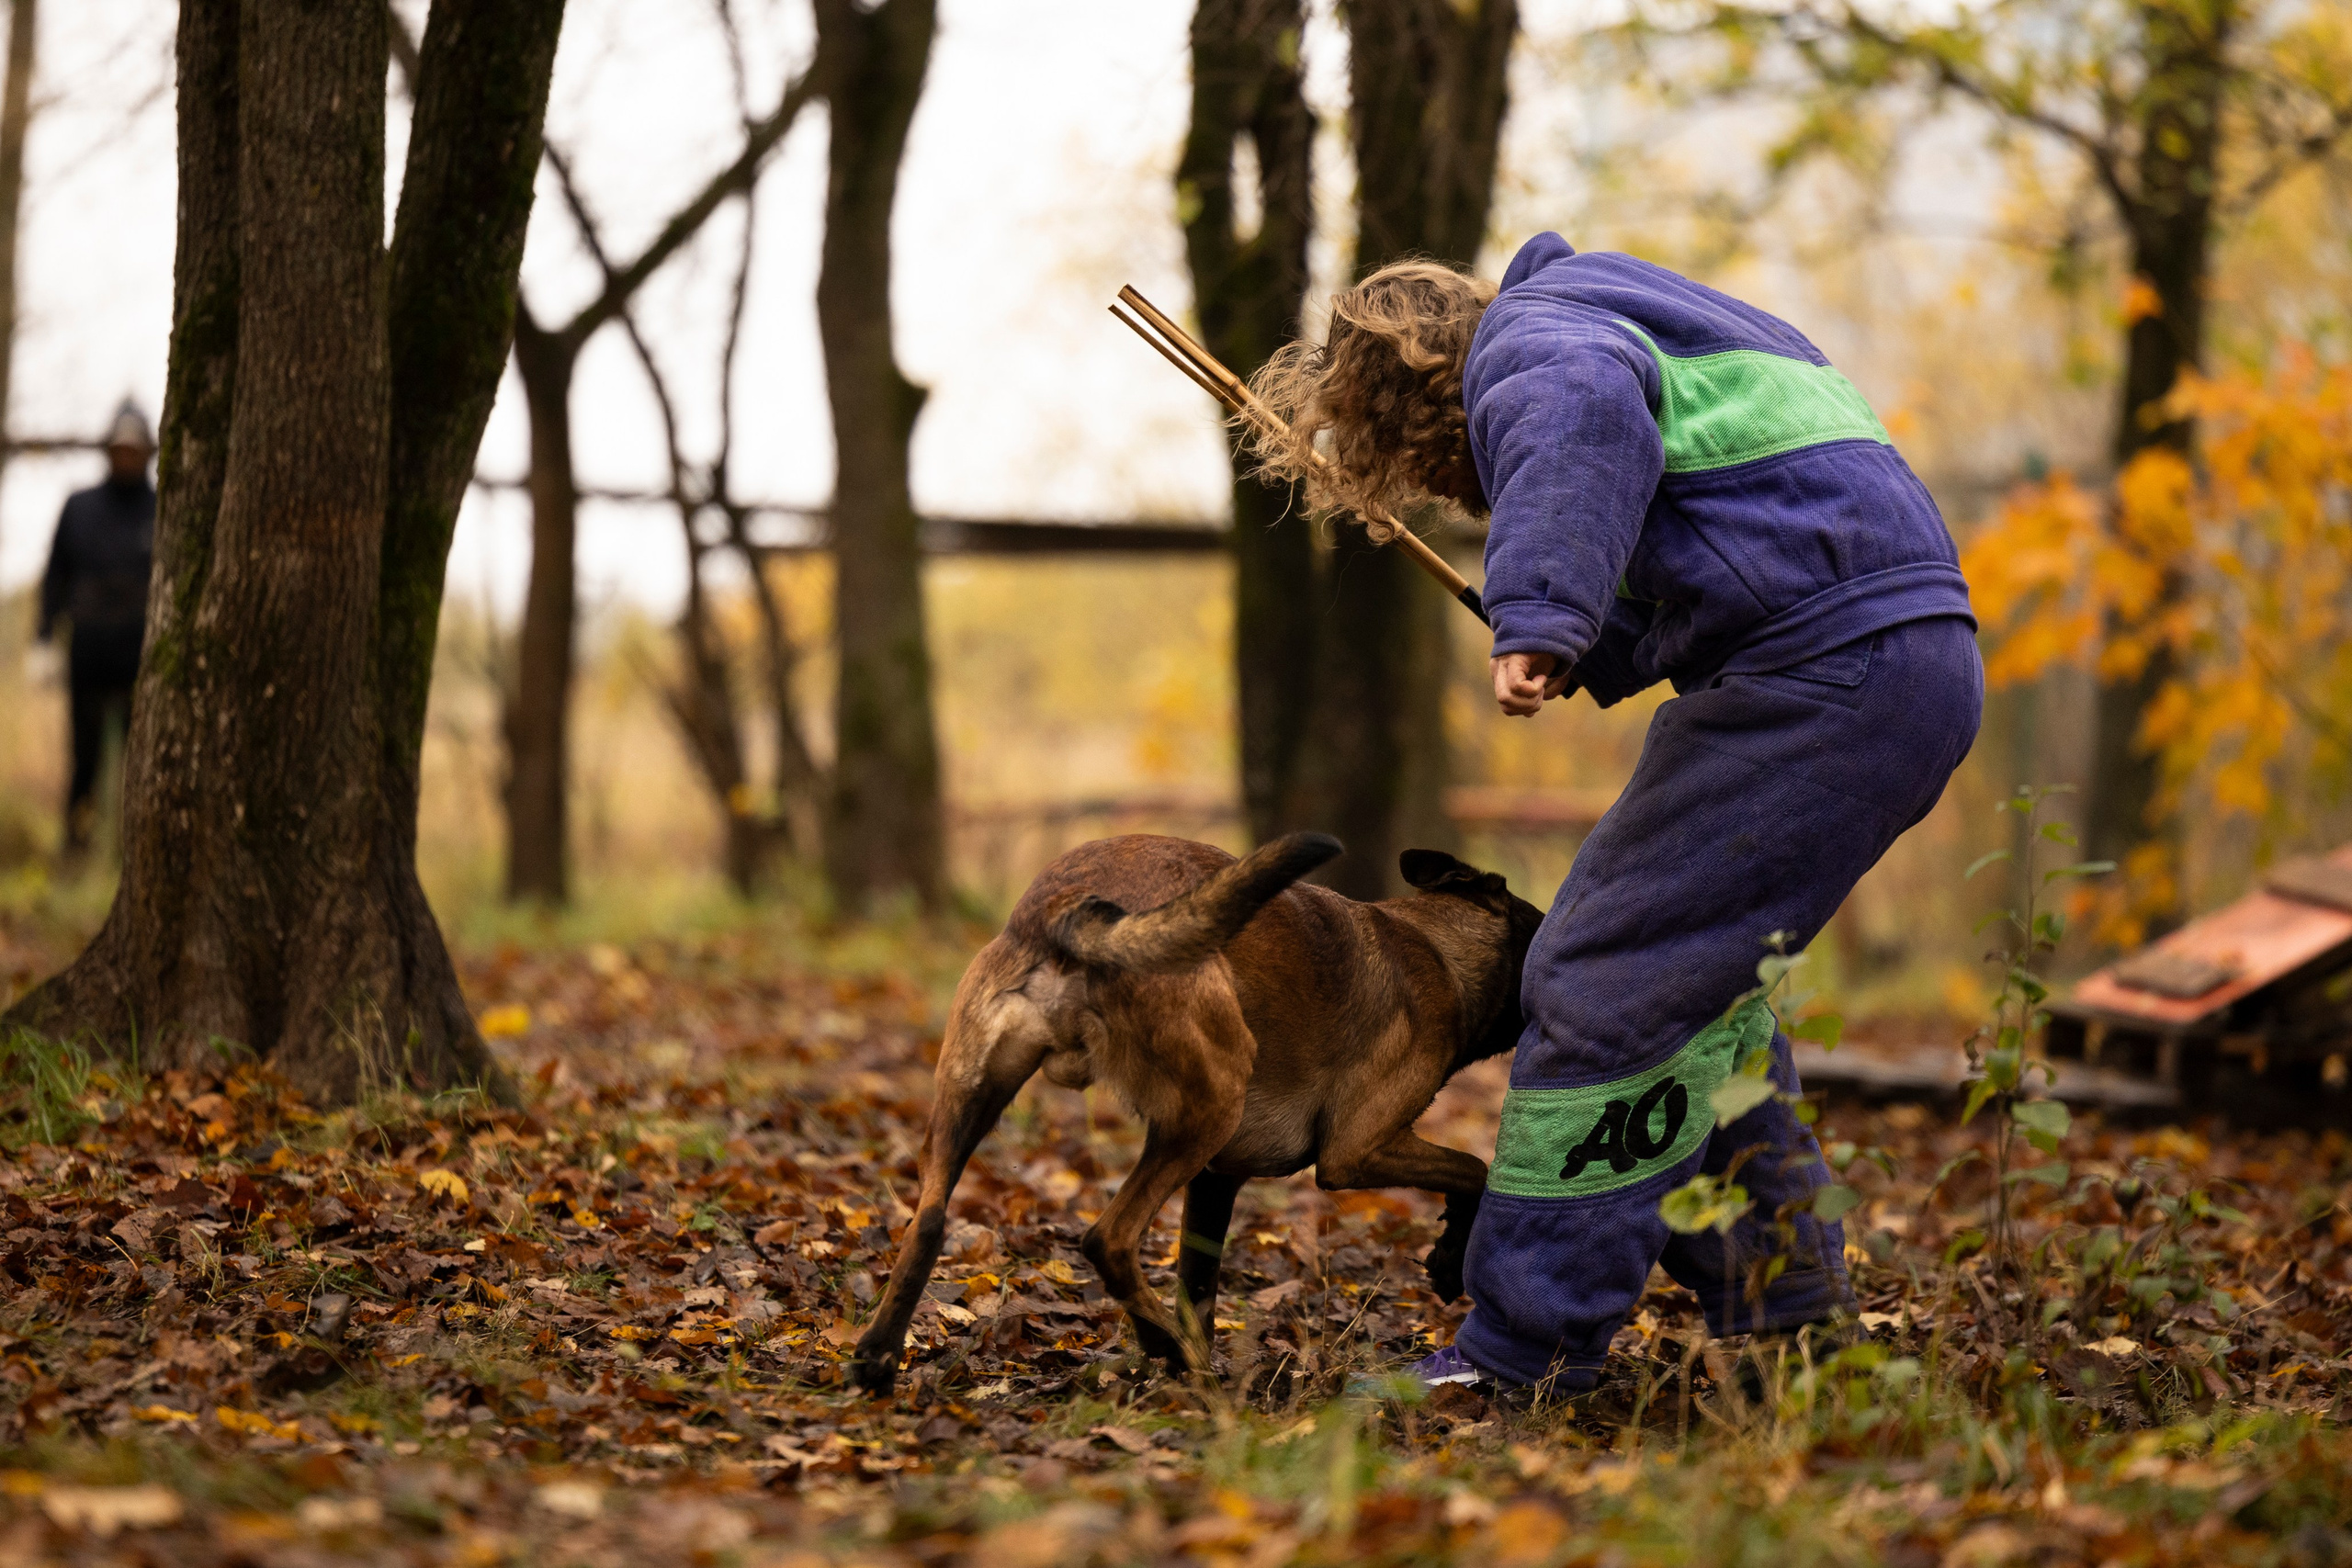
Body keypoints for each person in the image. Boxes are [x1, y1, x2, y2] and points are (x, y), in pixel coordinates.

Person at [1247, 234, 1982, 1394]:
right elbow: (1738, 540)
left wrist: (1539, 609)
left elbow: (1576, 419)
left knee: (1600, 976)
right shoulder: (1650, 320)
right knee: (1695, 994)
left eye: (1420, 462)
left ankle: (1524, 1354)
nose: (1443, 487)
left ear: (1420, 388)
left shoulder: (1538, 346)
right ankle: (1786, 1316)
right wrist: (1599, 635)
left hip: (1826, 675)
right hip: (1895, 660)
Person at [37, 400, 157, 857]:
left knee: (140, 766)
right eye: (119, 448)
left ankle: (132, 856)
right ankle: (76, 849)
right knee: (84, 760)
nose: (126, 456)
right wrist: (45, 638)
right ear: (108, 449)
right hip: (87, 654)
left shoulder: (162, 507)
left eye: (135, 448)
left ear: (147, 451)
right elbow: (55, 574)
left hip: (141, 658)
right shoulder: (80, 507)